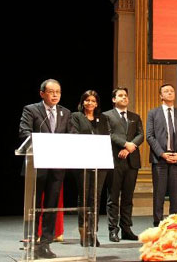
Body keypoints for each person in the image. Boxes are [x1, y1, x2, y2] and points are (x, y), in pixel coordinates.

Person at [18, 79, 72, 259]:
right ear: (42, 94)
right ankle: (31, 241)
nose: (55, 95)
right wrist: (44, 144)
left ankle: (45, 244)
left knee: (51, 206)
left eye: (58, 91)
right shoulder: (31, 110)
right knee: (34, 206)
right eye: (51, 92)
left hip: (56, 168)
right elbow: (24, 132)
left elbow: (71, 136)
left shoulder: (66, 113)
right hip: (37, 166)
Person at [103, 87, 144, 242]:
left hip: (131, 161)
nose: (124, 98)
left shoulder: (135, 116)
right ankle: (113, 230)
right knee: (113, 197)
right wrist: (125, 144)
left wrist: (130, 147)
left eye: (126, 95)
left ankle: (126, 229)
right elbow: (108, 133)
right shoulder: (106, 116)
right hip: (115, 160)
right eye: (120, 95)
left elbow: (141, 134)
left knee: (128, 198)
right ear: (114, 99)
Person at [146, 84, 177, 227]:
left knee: (175, 195)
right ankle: (157, 222)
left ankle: (174, 223)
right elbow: (150, 136)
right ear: (161, 95)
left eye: (172, 91)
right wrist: (162, 154)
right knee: (159, 194)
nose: (170, 93)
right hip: (160, 159)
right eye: (166, 91)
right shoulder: (153, 113)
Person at [71, 90, 110, 247]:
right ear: (82, 102)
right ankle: (83, 233)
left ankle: (93, 234)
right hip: (82, 162)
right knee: (84, 197)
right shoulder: (76, 116)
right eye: (87, 100)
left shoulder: (103, 118)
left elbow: (106, 136)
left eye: (93, 101)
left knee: (96, 198)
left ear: (97, 103)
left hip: (100, 162)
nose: (90, 103)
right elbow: (74, 135)